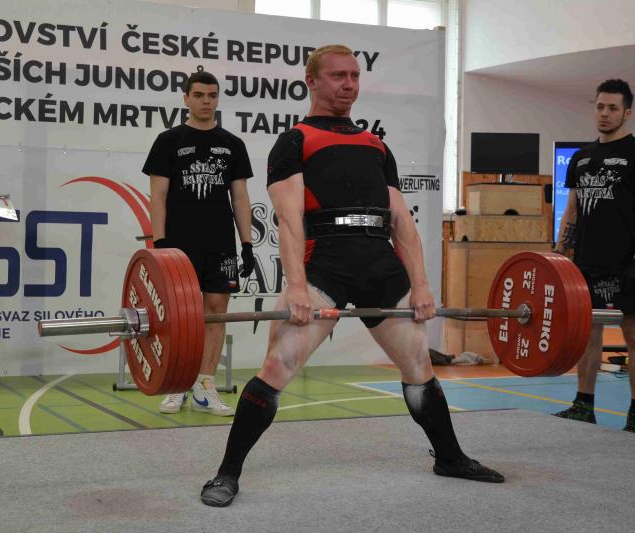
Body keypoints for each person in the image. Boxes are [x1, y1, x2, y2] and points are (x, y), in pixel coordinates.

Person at [200, 45, 503, 507]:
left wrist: (421, 283)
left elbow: (400, 221)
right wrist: (296, 286)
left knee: (419, 368)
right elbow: (289, 220)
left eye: (355, 76)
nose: (349, 84)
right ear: (312, 81)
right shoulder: (294, 142)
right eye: (338, 75)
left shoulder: (375, 145)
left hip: (380, 264)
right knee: (278, 365)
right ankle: (226, 473)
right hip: (326, 264)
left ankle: (449, 457)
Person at [143, 70, 255, 416]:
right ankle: (178, 384)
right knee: (180, 316)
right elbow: (158, 197)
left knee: (216, 312)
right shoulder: (168, 141)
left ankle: (205, 386)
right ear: (186, 98)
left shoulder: (233, 144)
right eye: (199, 95)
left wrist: (247, 244)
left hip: (220, 244)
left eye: (212, 95)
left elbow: (240, 197)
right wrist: (160, 243)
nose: (207, 101)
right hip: (178, 246)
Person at [553, 79, 635, 432]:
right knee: (588, 334)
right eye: (600, 106)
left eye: (613, 108)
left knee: (633, 337)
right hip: (586, 261)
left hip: (627, 263)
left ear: (627, 113)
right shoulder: (581, 158)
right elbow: (571, 209)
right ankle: (583, 406)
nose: (604, 113)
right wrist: (559, 252)